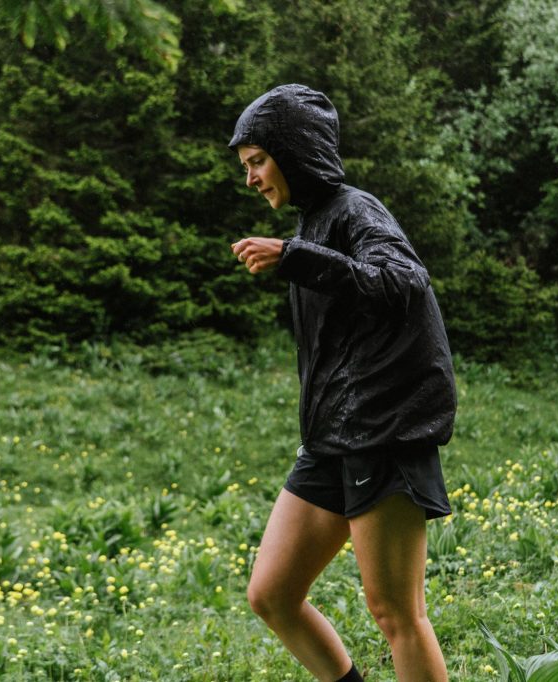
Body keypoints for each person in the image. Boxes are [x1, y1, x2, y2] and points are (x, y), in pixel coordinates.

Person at [229, 85, 456, 681]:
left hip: (383, 436)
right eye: (246, 166)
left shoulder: (357, 210)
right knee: (272, 594)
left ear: (294, 152)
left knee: (396, 614)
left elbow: (403, 281)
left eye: (257, 161)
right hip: (332, 441)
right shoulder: (312, 222)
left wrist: (296, 257)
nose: (250, 179)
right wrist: (298, 251)